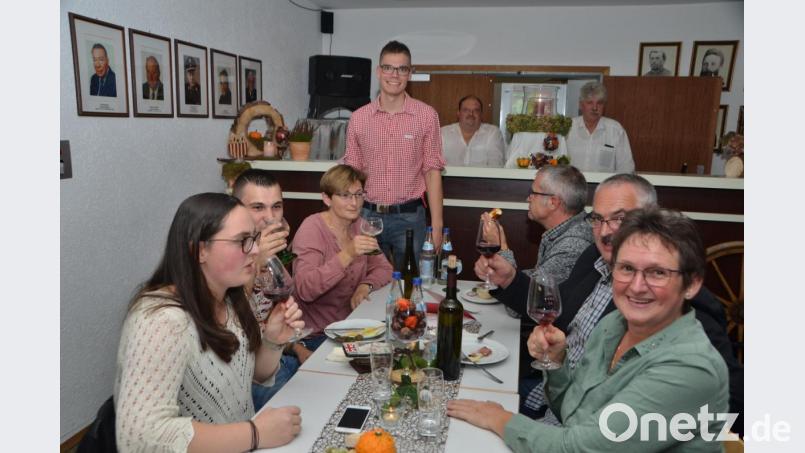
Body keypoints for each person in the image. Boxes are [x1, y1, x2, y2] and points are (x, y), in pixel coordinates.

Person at [449, 208, 730, 451]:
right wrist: (557, 364)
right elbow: (572, 413)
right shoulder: (613, 325)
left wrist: (500, 418)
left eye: (657, 272)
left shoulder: (689, 369)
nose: (637, 286)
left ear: (692, 283)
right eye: (627, 268)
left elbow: (577, 448)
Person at [114, 193, 304, 452]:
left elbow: (254, 376)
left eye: (254, 239)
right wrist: (255, 433)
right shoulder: (161, 321)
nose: (256, 250)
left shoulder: (230, 299)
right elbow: (140, 437)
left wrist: (272, 340)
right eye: (243, 241)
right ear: (199, 250)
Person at [344, 40, 445, 269]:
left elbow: (432, 172)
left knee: (412, 287)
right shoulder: (358, 119)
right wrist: (346, 221)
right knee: (364, 284)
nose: (394, 74)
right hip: (366, 216)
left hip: (410, 219)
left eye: (402, 69)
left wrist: (437, 228)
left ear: (410, 73)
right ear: (379, 71)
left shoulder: (427, 116)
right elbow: (351, 176)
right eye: (388, 67)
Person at [292, 164, 393, 353]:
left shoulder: (360, 226)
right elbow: (305, 289)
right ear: (326, 198)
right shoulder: (312, 229)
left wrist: (366, 285)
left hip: (353, 328)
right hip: (317, 336)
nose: (354, 203)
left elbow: (384, 268)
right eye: (345, 195)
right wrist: (347, 254)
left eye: (359, 194)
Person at [231, 169, 307, 409]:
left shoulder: (271, 255)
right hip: (242, 378)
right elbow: (227, 319)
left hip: (276, 357)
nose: (270, 218)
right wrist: (256, 262)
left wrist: (296, 348)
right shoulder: (223, 257)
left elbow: (268, 322)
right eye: (257, 208)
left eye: (276, 207)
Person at [565, 82, 634, 173]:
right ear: (581, 105)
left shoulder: (615, 130)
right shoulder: (567, 127)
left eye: (599, 103)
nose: (595, 108)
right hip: (571, 185)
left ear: (604, 106)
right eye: (590, 103)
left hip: (605, 186)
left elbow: (626, 168)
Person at [441, 95, 505, 167]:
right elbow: (435, 165)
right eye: (466, 110)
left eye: (476, 110)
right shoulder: (443, 133)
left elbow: (496, 166)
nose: (471, 114)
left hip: (482, 178)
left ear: (481, 114)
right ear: (458, 113)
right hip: (448, 178)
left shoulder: (492, 133)